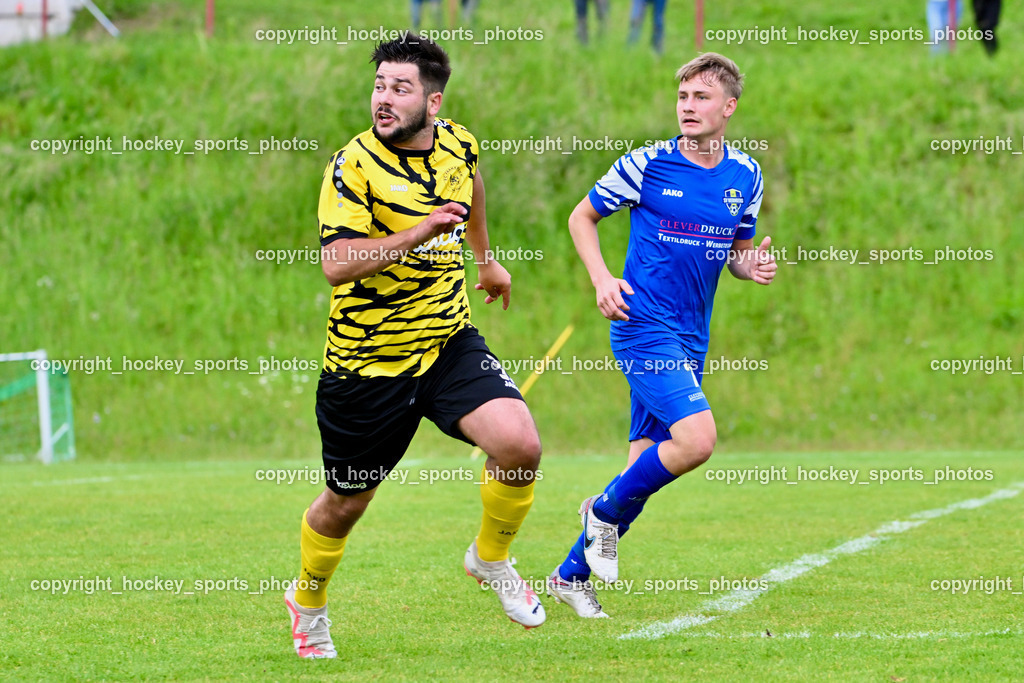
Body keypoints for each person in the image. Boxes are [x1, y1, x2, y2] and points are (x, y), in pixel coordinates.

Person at [284, 35, 546, 659]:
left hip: (448, 340)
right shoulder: (352, 167)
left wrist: (486, 262)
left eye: (399, 88)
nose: (383, 98)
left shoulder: (457, 141)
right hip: (367, 366)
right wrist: (420, 230)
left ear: (432, 100)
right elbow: (337, 264)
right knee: (346, 504)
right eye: (379, 85)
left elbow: (472, 186)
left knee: (520, 445)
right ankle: (308, 599)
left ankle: (489, 559)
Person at [546, 53, 776, 618]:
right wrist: (602, 280)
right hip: (642, 325)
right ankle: (599, 512)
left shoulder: (746, 175)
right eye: (683, 98)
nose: (688, 107)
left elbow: (736, 255)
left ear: (729, 107)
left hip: (691, 337)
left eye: (701, 98)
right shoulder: (646, 164)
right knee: (697, 440)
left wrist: (751, 269)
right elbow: (581, 217)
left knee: (642, 466)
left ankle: (570, 575)